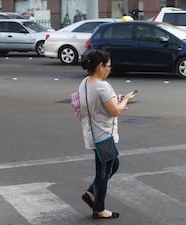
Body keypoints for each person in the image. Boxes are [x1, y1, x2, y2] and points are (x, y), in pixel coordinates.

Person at [78, 50, 136, 219]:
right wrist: (126, 100)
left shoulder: (85, 83)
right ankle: (99, 208)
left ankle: (91, 193)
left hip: (92, 132)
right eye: (108, 66)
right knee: (103, 172)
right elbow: (115, 110)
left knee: (113, 165)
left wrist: (115, 99)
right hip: (104, 135)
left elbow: (98, 105)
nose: (110, 69)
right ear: (100, 66)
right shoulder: (103, 87)